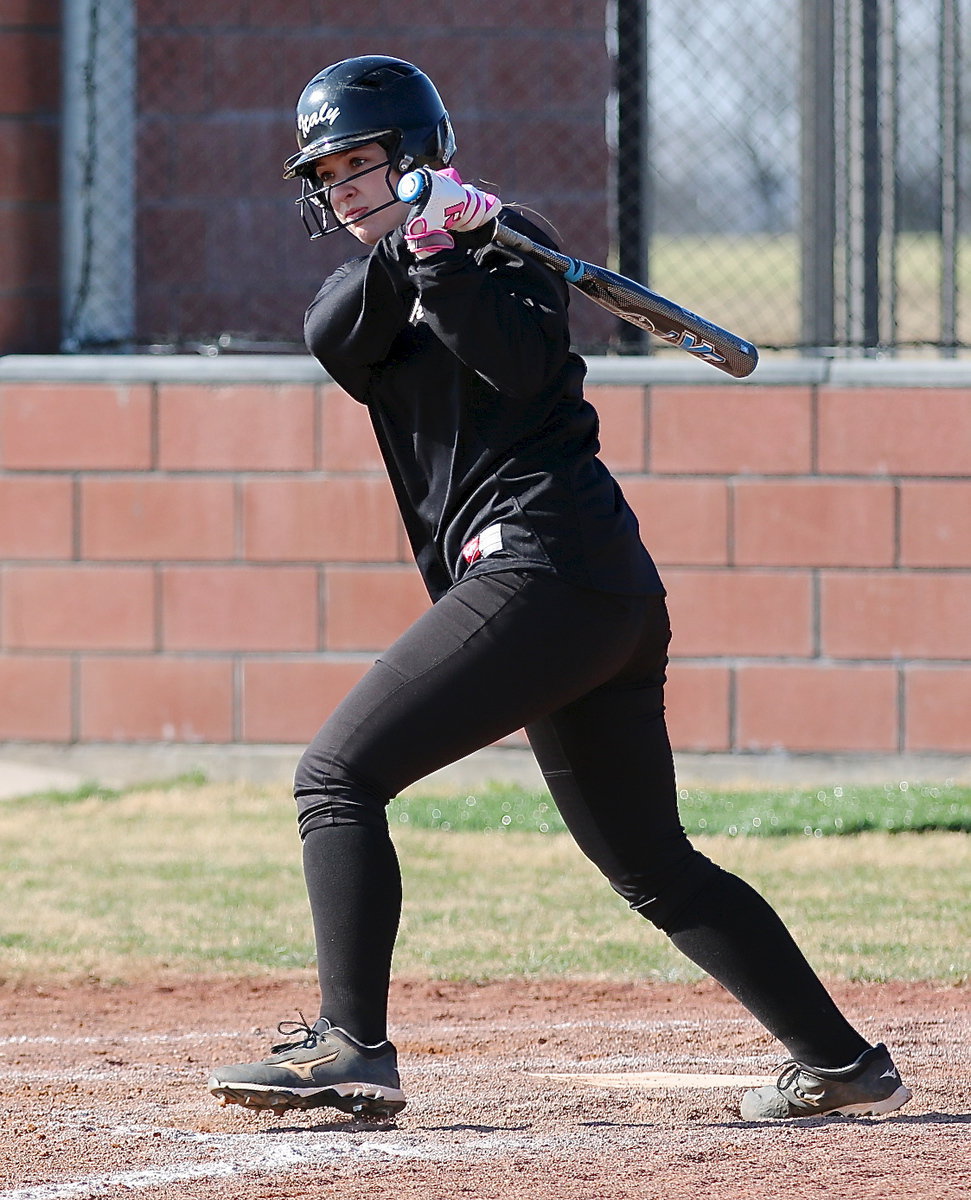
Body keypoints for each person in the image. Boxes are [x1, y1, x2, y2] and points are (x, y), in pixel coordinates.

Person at [207, 55, 911, 1124]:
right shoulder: (363, 283)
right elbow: (339, 339)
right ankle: (841, 1062)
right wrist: (421, 239)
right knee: (651, 864)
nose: (342, 186)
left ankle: (350, 1046)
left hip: (549, 568)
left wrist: (453, 248)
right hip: (576, 592)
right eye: (329, 172)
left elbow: (522, 368)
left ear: (418, 154)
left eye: (362, 164)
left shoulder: (509, 244)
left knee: (335, 777)